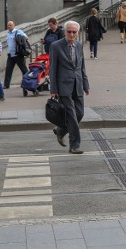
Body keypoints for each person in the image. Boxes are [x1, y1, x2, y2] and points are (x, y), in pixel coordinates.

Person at [49, 21, 90, 154]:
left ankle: (61, 130)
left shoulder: (79, 45)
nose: (71, 34)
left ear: (78, 33)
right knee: (71, 115)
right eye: (69, 32)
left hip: (77, 84)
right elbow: (53, 69)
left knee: (80, 113)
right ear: (65, 32)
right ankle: (74, 145)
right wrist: (53, 89)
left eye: (74, 32)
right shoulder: (56, 46)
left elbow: (82, 66)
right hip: (63, 87)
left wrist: (86, 84)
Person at [4, 21, 28, 89]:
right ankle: (6, 84)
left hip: (18, 54)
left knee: (24, 69)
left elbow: (26, 37)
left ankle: (28, 82)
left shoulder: (18, 31)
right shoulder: (8, 33)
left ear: (14, 25)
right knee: (8, 69)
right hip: (10, 54)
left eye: (10, 25)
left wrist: (18, 38)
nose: (9, 26)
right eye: (8, 25)